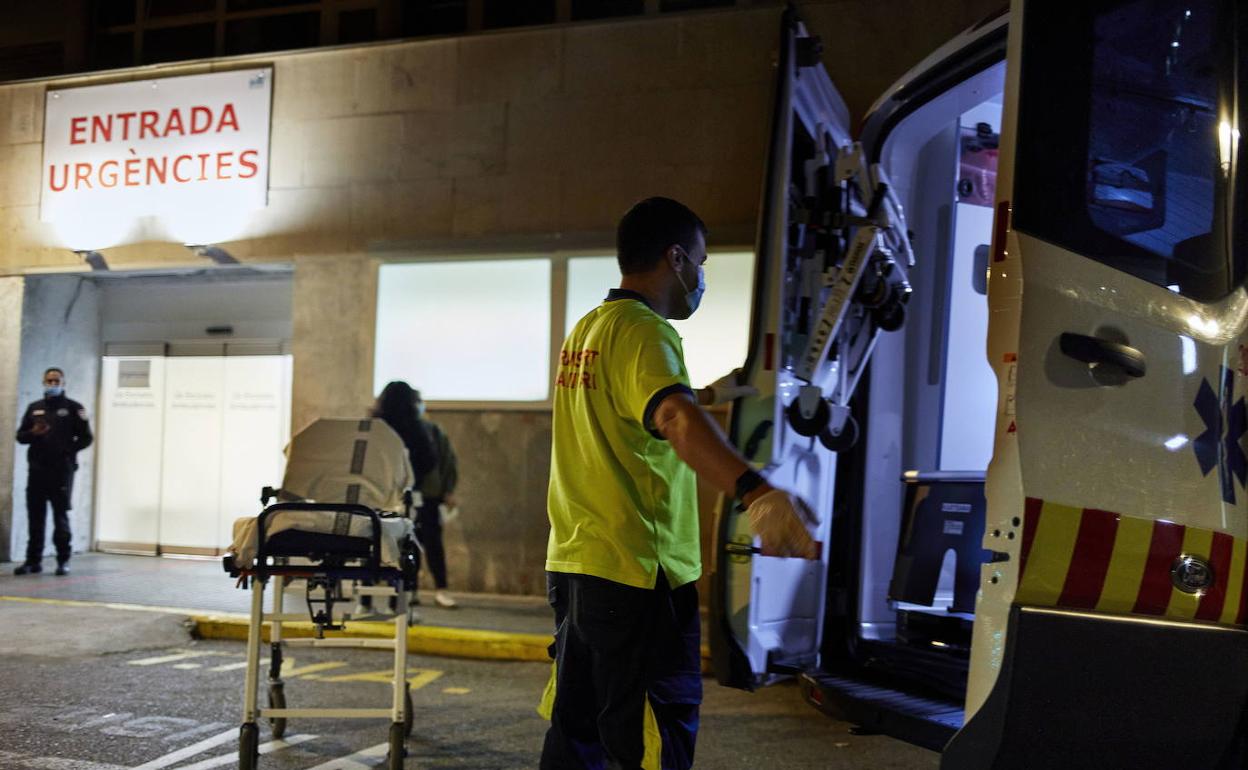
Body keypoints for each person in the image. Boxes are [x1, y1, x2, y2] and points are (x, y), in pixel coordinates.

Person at [541, 197, 819, 770]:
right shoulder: (648, 332)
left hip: (577, 566)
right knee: (649, 742)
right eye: (701, 261)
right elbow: (671, 417)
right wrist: (757, 492)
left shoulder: (590, 328)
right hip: (638, 572)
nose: (701, 276)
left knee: (580, 735)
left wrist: (710, 394)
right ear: (675, 258)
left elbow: (634, 406)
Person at [372, 381, 460, 609]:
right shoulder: (420, 428)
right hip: (420, 493)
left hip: (389, 495)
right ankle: (418, 589)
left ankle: (405, 591)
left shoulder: (378, 428)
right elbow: (431, 460)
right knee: (423, 542)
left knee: (409, 542)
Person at [14, 367, 93, 576]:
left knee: (60, 517)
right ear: (43, 382)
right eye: (49, 381)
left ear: (63, 383)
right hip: (37, 471)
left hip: (61, 472)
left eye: (56, 381)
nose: (52, 384)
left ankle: (63, 560)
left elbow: (86, 438)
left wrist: (67, 450)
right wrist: (33, 432)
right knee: (35, 518)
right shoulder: (34, 408)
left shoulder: (74, 408)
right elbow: (20, 437)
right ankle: (33, 561)